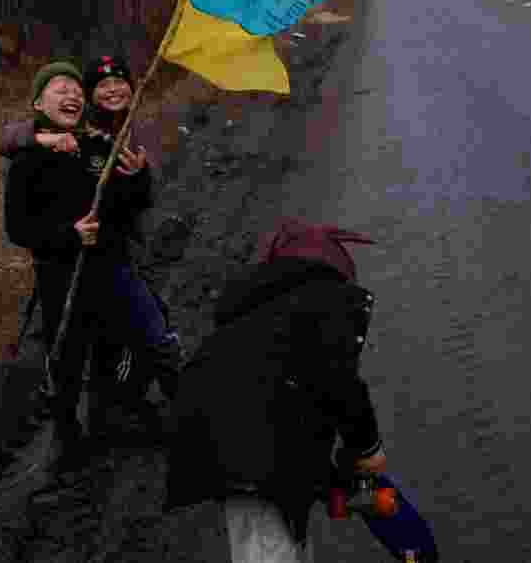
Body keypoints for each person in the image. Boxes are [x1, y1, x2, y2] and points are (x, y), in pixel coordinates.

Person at [163, 218, 387, 563]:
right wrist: (367, 447)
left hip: (220, 439)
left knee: (278, 537)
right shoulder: (323, 302)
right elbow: (339, 381)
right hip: (249, 451)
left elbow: (296, 416)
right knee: (269, 544)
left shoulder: (260, 321)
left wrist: (335, 485)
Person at [3, 60, 180, 476]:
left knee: (149, 336)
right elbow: (18, 229)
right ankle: (67, 438)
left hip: (112, 267)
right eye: (58, 88)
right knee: (66, 357)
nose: (71, 94)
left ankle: (166, 414)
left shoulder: (99, 146)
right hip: (61, 277)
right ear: (38, 103)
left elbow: (126, 205)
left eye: (74, 88)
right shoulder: (28, 159)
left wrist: (136, 179)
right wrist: (69, 235)